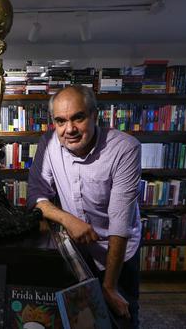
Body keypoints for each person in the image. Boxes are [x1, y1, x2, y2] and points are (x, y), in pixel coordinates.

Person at [27, 86, 141, 328]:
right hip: (77, 252)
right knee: (83, 321)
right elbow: (36, 197)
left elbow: (120, 224)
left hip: (118, 254)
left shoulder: (125, 148)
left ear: (94, 116)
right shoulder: (47, 143)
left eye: (78, 117)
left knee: (122, 319)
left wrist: (109, 286)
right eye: (60, 121)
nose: (69, 129)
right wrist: (68, 220)